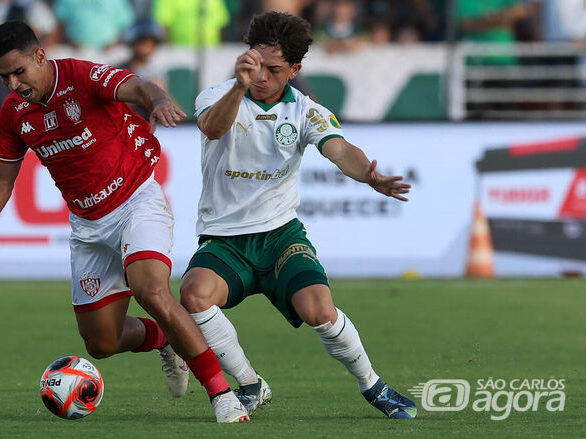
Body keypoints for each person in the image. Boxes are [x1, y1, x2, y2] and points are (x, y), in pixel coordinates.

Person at [0, 21, 249, 423]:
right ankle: (163, 338)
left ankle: (222, 394)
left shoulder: (80, 76)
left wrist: (158, 100)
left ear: (40, 57)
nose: (12, 83)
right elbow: (1, 176)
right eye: (3, 76)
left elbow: (137, 85)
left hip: (136, 200)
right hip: (88, 226)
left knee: (151, 289)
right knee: (101, 342)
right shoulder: (14, 113)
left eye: (18, 72)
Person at [179, 11, 418, 419]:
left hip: (279, 236)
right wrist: (237, 87)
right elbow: (213, 129)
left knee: (321, 311)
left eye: (274, 70)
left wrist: (369, 176)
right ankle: (251, 383)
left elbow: (340, 150)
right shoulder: (216, 95)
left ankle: (373, 386)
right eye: (256, 65)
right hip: (224, 238)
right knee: (193, 295)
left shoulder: (307, 111)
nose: (261, 77)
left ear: (295, 69)